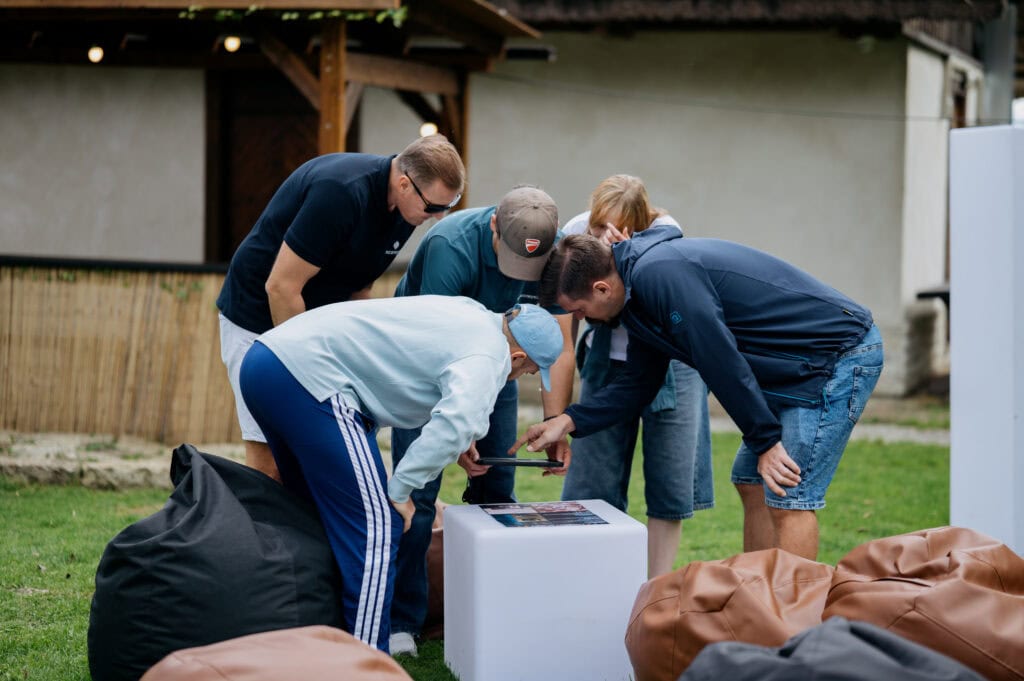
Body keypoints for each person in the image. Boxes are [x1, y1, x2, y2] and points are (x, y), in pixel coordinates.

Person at [518, 229, 883, 561]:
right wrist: (568, 421)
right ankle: (762, 595)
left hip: (837, 355)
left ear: (601, 289)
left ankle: (795, 609)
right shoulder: (637, 297)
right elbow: (638, 383)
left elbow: (718, 358)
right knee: (751, 482)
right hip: (796, 366)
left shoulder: (659, 275)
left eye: (579, 311)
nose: (583, 319)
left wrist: (766, 441)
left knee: (789, 495)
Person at [238, 296, 564, 653]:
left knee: (309, 517)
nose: (523, 376)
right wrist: (400, 490)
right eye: (529, 371)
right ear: (516, 357)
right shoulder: (489, 356)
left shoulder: (471, 313)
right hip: (312, 378)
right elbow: (455, 423)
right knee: (378, 526)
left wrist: (457, 442)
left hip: (266, 361)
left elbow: (430, 379)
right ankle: (365, 664)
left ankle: (303, 640)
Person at [388, 185, 574, 657]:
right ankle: (401, 620)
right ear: (493, 225)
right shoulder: (449, 246)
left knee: (497, 489)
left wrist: (556, 422)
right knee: (417, 493)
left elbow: (558, 344)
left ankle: (493, 605)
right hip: (424, 371)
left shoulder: (556, 255)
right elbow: (432, 349)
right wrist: (458, 432)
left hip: (505, 362)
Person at [217, 134, 466, 481]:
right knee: (270, 459)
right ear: (404, 184)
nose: (438, 217)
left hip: (314, 322)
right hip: (259, 317)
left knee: (320, 451)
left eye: (449, 206)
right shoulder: (341, 193)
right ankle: (257, 519)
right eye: (434, 208)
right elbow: (281, 287)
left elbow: (359, 288)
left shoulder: (406, 209)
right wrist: (303, 371)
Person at [559, 175, 713, 578]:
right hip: (605, 362)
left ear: (641, 222)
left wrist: (626, 253)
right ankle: (597, 578)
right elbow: (567, 318)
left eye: (621, 228)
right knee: (591, 478)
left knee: (669, 481)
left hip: (672, 363)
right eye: (600, 225)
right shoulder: (574, 234)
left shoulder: (665, 233)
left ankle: (655, 586)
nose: (606, 234)